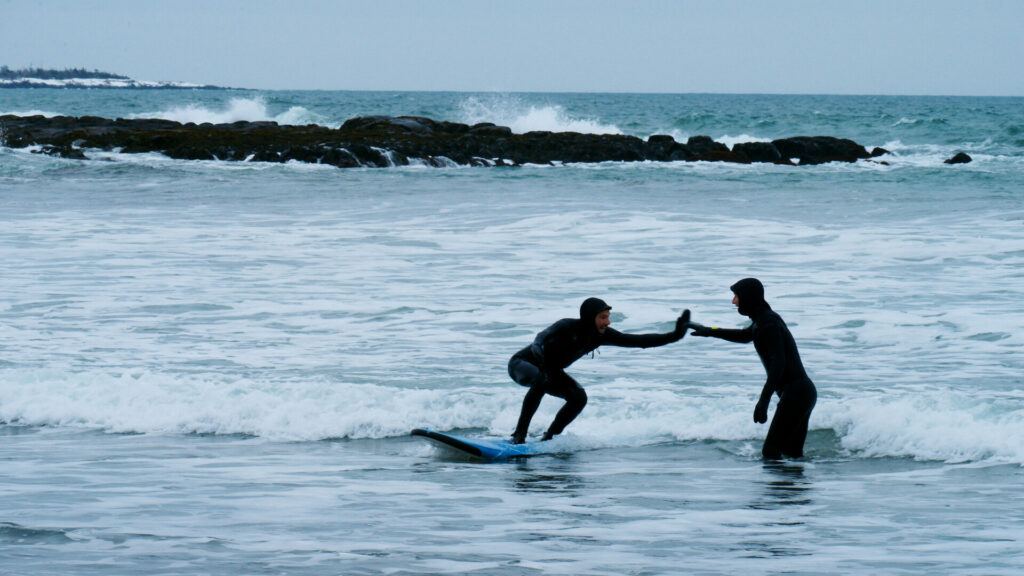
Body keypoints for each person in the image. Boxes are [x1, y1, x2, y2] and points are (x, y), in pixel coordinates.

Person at [507, 297, 690, 444]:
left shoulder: (600, 336)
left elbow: (638, 341)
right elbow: (541, 337)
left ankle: (550, 438)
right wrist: (538, 349)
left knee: (578, 398)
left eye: (608, 317)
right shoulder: (567, 326)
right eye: (603, 317)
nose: (608, 322)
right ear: (589, 318)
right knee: (541, 379)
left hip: (549, 370)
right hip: (522, 364)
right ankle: (519, 435)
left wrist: (674, 336)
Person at [690, 278, 817, 459]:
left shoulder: (769, 323)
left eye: (736, 296)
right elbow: (744, 336)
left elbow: (778, 364)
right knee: (791, 453)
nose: (733, 301)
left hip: (797, 393)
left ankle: (776, 487)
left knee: (771, 451)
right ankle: (793, 487)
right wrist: (710, 330)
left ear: (748, 297)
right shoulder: (763, 320)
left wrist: (763, 400)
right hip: (801, 393)